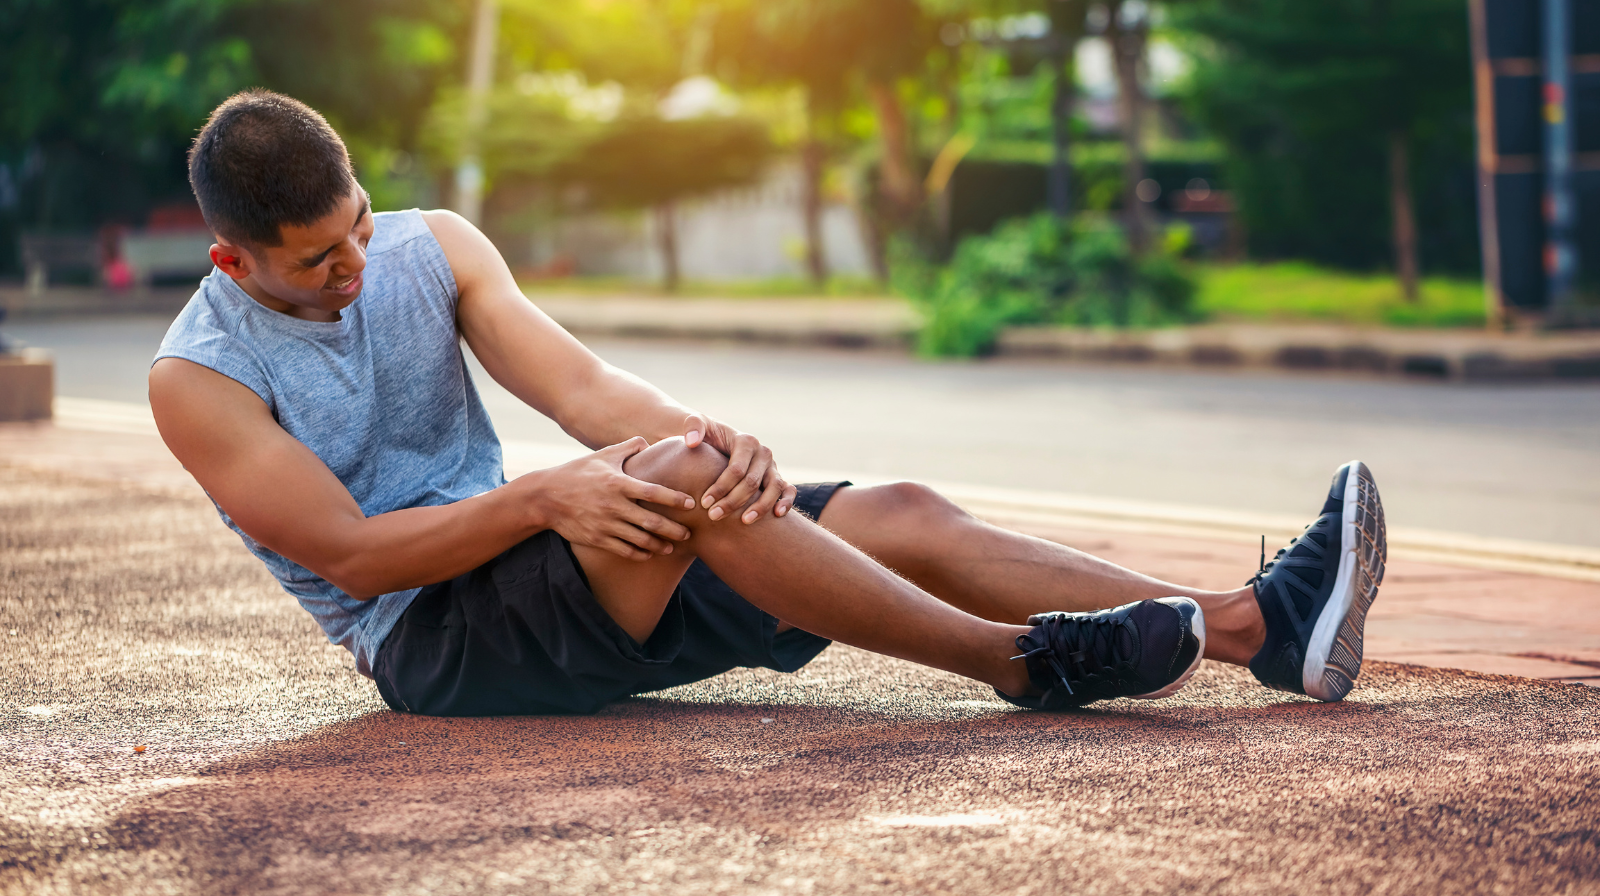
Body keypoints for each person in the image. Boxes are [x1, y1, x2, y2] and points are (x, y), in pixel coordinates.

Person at [150, 90, 1388, 717]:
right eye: (319, 260)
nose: (357, 266)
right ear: (236, 260)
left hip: (571, 563)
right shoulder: (197, 377)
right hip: (439, 640)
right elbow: (358, 560)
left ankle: (1253, 629)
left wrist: (709, 437)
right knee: (675, 483)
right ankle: (1021, 664)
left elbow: (583, 389)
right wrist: (546, 497)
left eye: (359, 226)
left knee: (885, 504)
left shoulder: (437, 246)